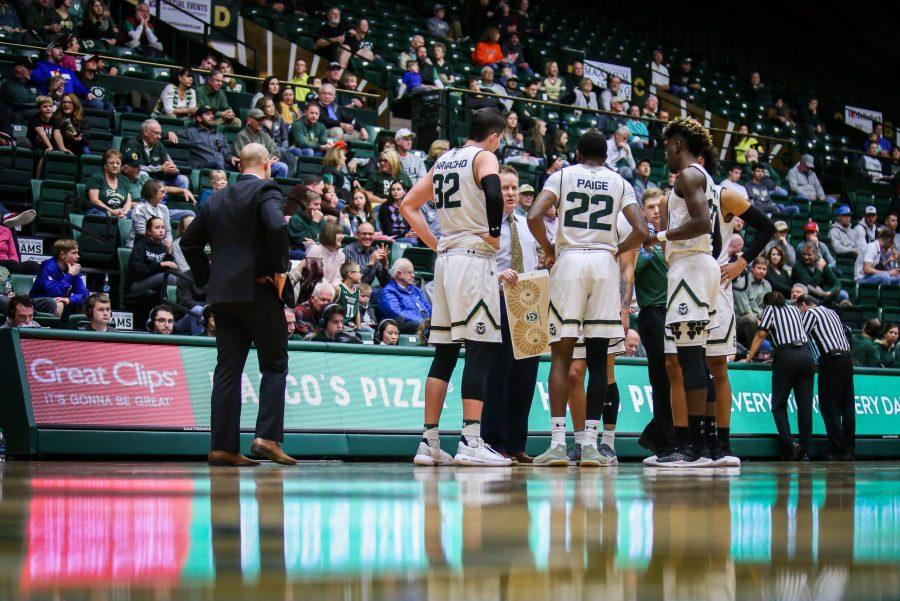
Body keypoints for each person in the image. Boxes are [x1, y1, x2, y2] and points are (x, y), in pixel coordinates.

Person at [527, 130, 647, 467]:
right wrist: (615, 249)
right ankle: (593, 446)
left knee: (561, 355)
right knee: (598, 360)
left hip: (569, 261)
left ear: (578, 153)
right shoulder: (619, 180)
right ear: (606, 156)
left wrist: (551, 250)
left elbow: (535, 215)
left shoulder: (562, 175)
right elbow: (641, 230)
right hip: (602, 265)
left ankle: (557, 445)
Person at [399, 107, 511, 467]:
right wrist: (495, 234)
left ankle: (428, 441)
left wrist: (436, 243)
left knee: (445, 353)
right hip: (473, 260)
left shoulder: (445, 160)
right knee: (480, 348)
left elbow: (408, 205)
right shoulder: (485, 157)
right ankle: (471, 440)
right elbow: (494, 193)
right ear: (493, 136)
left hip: (445, 261)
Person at [180, 142, 294, 467]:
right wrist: (279, 269)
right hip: (258, 290)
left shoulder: (215, 198)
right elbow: (277, 226)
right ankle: (267, 437)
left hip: (223, 296)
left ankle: (222, 447)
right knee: (274, 364)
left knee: (227, 371)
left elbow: (188, 241)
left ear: (239, 164)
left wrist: (208, 279)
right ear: (267, 165)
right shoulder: (266, 190)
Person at [644, 117, 721, 467]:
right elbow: (714, 233)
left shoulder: (689, 175)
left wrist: (660, 237)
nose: (665, 154)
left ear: (676, 144)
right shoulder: (706, 179)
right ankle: (704, 444)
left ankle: (690, 447)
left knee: (691, 358)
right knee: (697, 359)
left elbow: (703, 223)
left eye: (666, 147)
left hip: (691, 268)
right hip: (699, 266)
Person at [480, 166, 540, 464]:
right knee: (499, 375)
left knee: (525, 376)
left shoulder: (527, 225)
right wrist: (497, 274)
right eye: (505, 188)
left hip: (528, 303)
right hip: (499, 299)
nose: (512, 192)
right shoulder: (486, 224)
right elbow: (479, 264)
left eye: (515, 187)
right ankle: (493, 441)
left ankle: (517, 443)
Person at [744, 291, 815, 460]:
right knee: (805, 407)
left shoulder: (770, 309)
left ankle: (791, 446)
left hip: (787, 356)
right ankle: (805, 451)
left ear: (767, 303)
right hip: (806, 355)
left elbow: (761, 334)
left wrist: (748, 358)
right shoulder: (794, 309)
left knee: (778, 405)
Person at [798, 295, 854, 459]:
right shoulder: (832, 312)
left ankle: (838, 449)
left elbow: (800, 335)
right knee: (847, 406)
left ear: (804, 305)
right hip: (846, 358)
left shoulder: (810, 314)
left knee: (829, 406)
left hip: (831, 360)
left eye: (799, 311)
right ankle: (850, 449)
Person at [121, 119, 191, 189]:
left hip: (160, 180)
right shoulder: (132, 144)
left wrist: (173, 170)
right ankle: (143, 200)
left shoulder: (159, 145)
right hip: (145, 181)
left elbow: (168, 163)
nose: (159, 136)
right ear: (146, 132)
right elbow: (136, 167)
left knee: (182, 179)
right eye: (156, 133)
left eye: (160, 134)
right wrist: (159, 168)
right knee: (143, 174)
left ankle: (180, 199)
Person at [30, 239, 89, 318]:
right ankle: (55, 330)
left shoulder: (73, 269)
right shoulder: (48, 267)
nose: (78, 256)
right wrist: (70, 275)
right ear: (62, 255)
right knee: (58, 304)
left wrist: (69, 300)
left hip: (60, 301)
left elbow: (85, 294)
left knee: (88, 304)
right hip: (39, 303)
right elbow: (53, 294)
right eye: (74, 253)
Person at [233, 109, 289, 178]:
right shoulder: (241, 136)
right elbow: (241, 158)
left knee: (282, 166)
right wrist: (264, 161)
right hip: (251, 169)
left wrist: (266, 162)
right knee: (281, 167)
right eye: (258, 119)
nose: (261, 122)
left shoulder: (264, 135)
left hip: (266, 165)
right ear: (249, 120)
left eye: (263, 120)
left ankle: (276, 188)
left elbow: (276, 153)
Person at [378, 258, 431, 333]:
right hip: (406, 324)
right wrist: (424, 322)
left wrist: (434, 321)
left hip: (425, 322)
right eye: (410, 273)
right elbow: (397, 313)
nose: (413, 276)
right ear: (399, 274)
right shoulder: (388, 291)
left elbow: (428, 307)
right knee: (417, 324)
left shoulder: (416, 290)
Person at [126, 216, 176, 294]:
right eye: (157, 228)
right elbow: (137, 271)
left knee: (180, 278)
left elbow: (167, 268)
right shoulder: (140, 245)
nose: (161, 230)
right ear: (149, 231)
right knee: (169, 278)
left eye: (163, 228)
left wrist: (169, 253)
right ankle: (168, 305)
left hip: (156, 279)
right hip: (137, 283)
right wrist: (159, 265)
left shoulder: (164, 246)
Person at [86, 148, 133, 217]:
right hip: (101, 211)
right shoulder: (97, 177)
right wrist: (112, 212)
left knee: (135, 213)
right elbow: (94, 200)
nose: (115, 165)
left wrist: (124, 212)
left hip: (120, 213)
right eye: (111, 163)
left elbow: (128, 201)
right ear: (105, 166)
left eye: (118, 163)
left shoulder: (124, 180)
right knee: (101, 214)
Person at [127, 179, 172, 247]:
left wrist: (168, 242)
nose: (164, 195)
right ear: (152, 193)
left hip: (159, 245)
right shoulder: (140, 209)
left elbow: (168, 231)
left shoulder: (164, 208)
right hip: (138, 246)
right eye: (162, 192)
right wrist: (162, 244)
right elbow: (142, 233)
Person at [343, 222, 389, 287]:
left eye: (370, 234)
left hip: (367, 291)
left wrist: (385, 265)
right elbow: (352, 279)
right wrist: (371, 263)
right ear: (356, 235)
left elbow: (384, 283)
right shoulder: (349, 251)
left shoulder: (375, 252)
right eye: (364, 234)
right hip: (352, 291)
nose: (367, 236)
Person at [305, 221, 345, 287]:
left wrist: (332, 288)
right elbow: (311, 277)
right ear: (330, 234)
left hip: (331, 290)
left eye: (342, 234)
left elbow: (338, 278)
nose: (342, 237)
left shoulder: (341, 254)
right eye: (339, 234)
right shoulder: (315, 250)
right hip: (313, 289)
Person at [335, 261, 362, 329]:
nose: (361, 275)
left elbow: (357, 311)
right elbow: (331, 309)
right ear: (350, 274)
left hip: (352, 327)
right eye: (359, 272)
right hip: (339, 327)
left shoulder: (357, 292)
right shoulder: (338, 289)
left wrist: (359, 328)